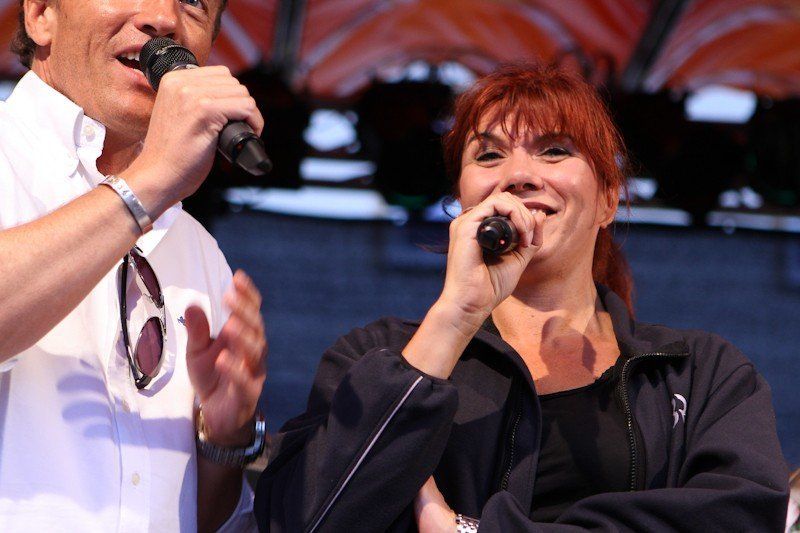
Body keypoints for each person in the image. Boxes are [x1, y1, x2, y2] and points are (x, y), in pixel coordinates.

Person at [254, 64, 789, 532]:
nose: (518, 176)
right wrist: (454, 318)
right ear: (460, 200)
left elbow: (742, 518)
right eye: (488, 155)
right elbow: (300, 519)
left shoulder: (699, 374)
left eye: (554, 151)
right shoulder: (377, 356)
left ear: (608, 199)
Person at [0, 1, 267, 531]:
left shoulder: (198, 249)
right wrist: (148, 183)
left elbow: (213, 521)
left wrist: (225, 438)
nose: (163, 17)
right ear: (41, 14)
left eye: (194, 2)